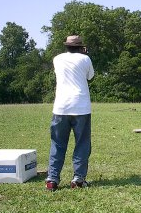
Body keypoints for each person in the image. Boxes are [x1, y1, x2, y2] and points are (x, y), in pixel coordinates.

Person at [46, 35, 95, 191]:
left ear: (66, 46)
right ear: (81, 47)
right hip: (81, 107)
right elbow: (90, 77)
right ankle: (78, 180)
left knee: (58, 144)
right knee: (82, 143)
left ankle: (52, 180)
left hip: (61, 107)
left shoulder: (57, 59)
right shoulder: (85, 59)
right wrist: (85, 55)